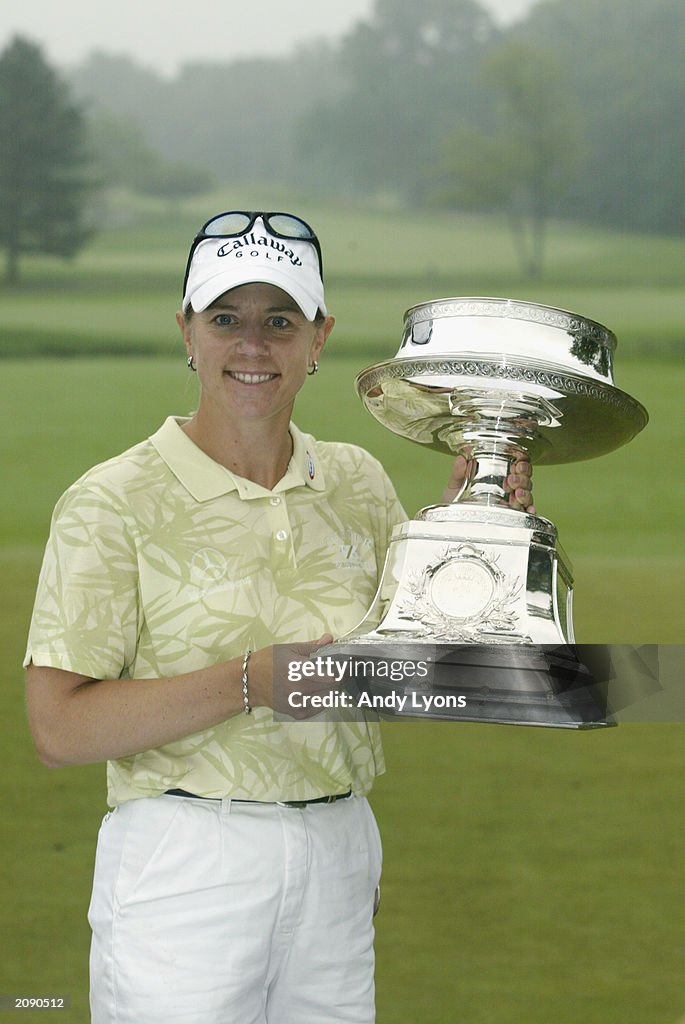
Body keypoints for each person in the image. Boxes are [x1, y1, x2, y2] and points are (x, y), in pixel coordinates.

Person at [24, 210, 534, 1023]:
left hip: (336, 846)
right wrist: (249, 682)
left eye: (279, 321)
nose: (252, 345)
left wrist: (471, 541)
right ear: (186, 332)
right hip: (185, 858)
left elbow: (417, 663)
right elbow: (59, 731)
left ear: (318, 338)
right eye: (225, 318)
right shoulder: (111, 501)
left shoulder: (355, 481)